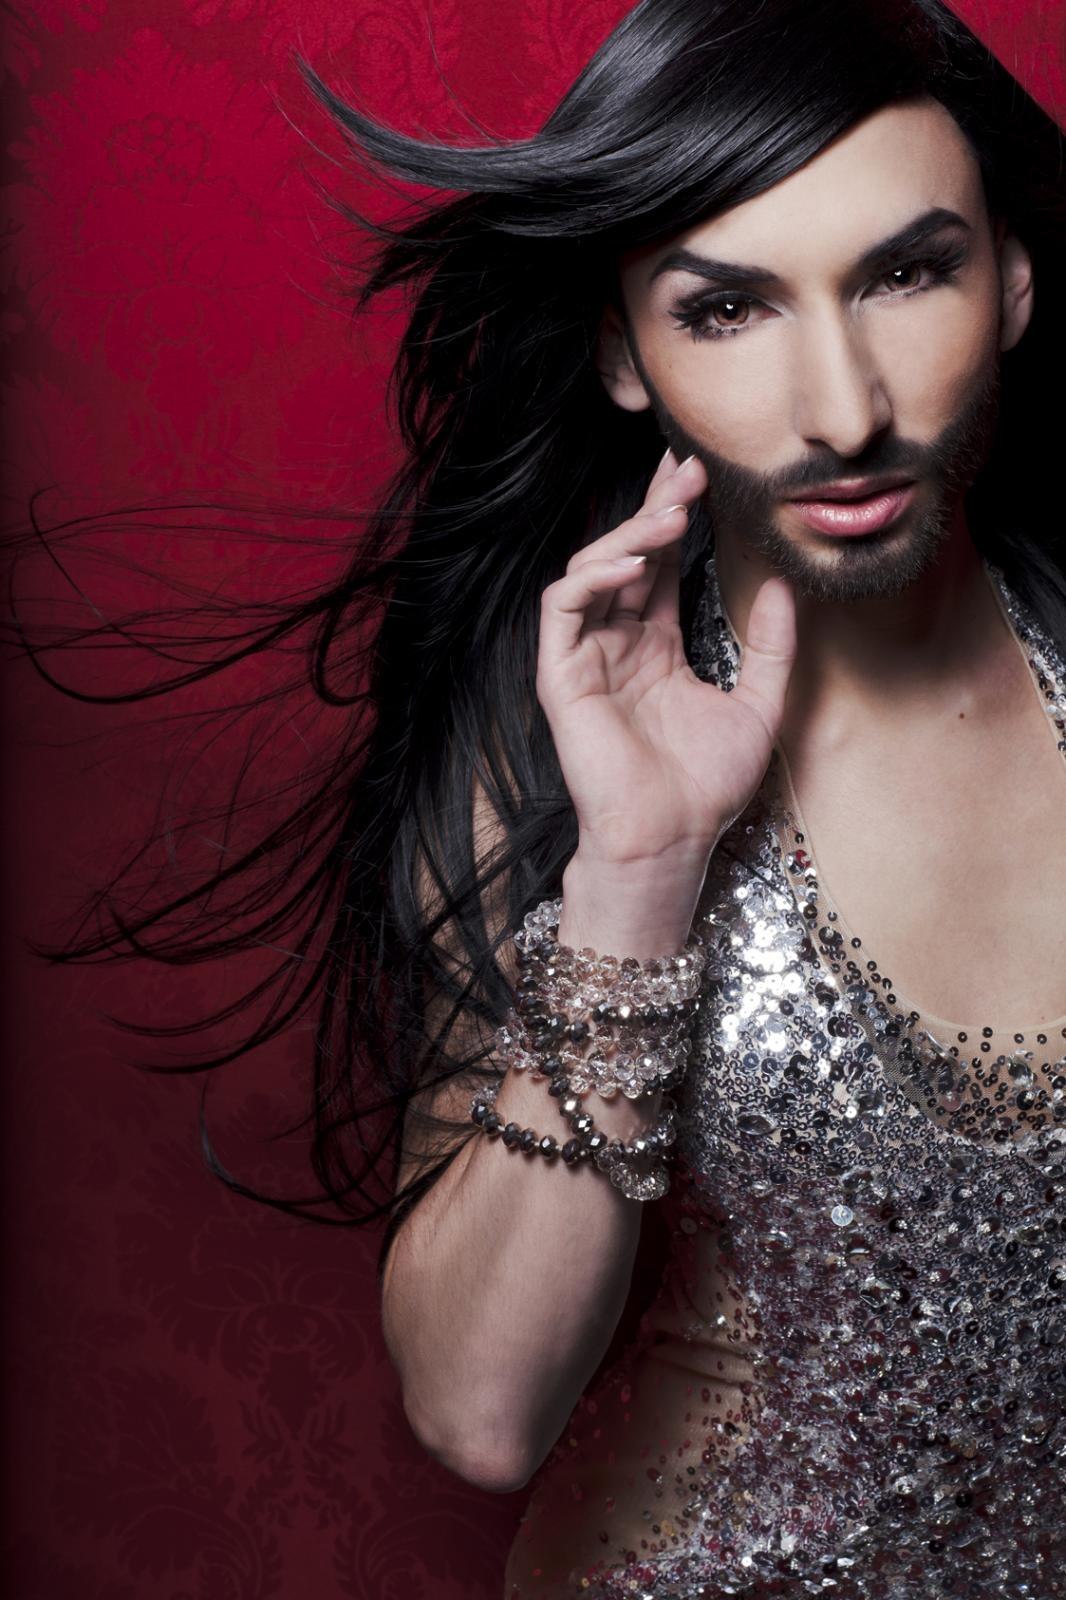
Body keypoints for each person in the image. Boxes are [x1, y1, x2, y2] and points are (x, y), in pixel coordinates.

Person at [9, 0, 1063, 1595]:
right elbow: (478, 1411)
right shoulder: (554, 757)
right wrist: (637, 876)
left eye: (906, 274)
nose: (843, 408)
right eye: (726, 309)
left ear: (1015, 280)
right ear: (621, 354)